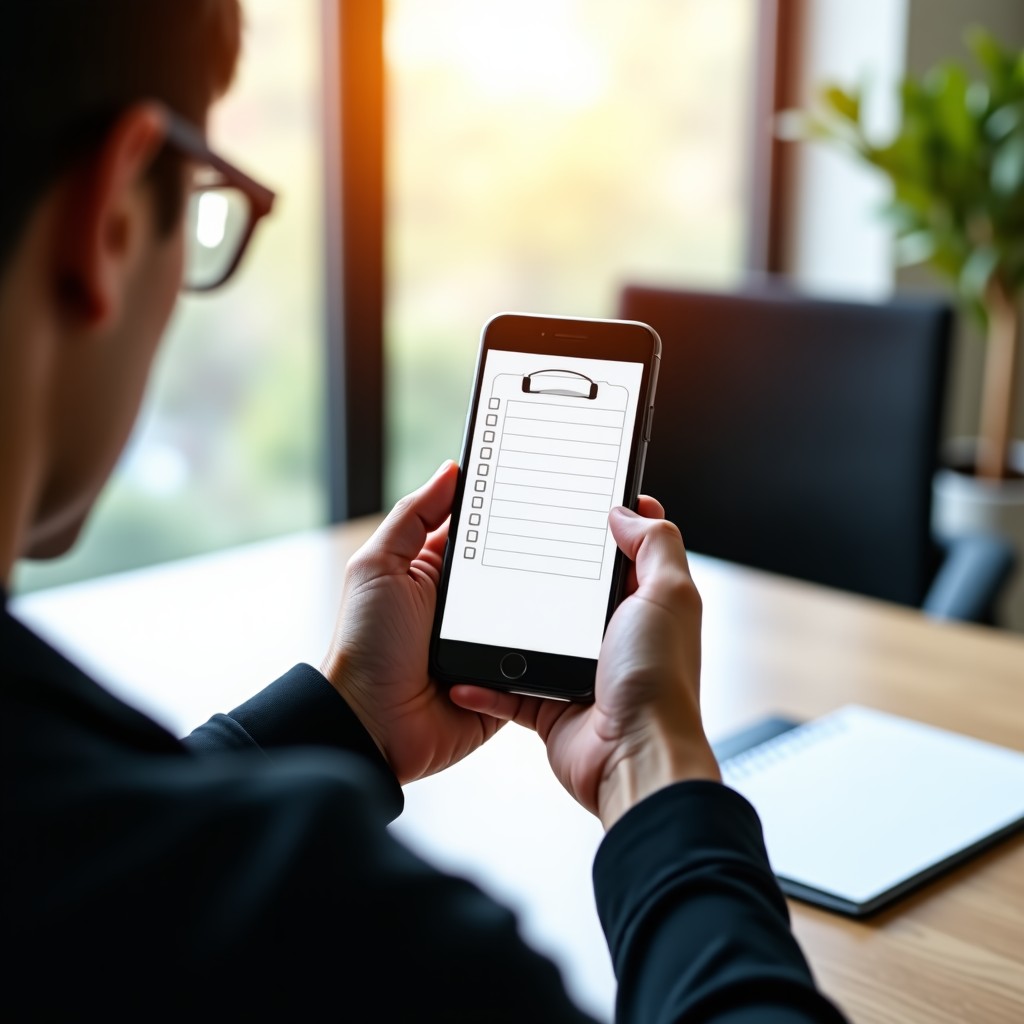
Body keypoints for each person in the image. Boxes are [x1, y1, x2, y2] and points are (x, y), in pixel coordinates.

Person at [1, 2, 847, 1020]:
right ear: (116, 218)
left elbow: (104, 857)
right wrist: (651, 763)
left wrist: (351, 708)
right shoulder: (341, 938)